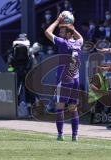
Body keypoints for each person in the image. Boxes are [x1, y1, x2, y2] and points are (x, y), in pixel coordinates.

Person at [45, 13, 83, 141]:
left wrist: (57, 20)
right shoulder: (78, 43)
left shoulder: (63, 43)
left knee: (59, 107)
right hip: (76, 79)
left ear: (68, 33)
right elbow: (80, 37)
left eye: (62, 30)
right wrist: (70, 26)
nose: (60, 32)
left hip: (65, 80)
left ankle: (60, 134)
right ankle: (75, 135)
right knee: (73, 108)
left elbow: (47, 32)